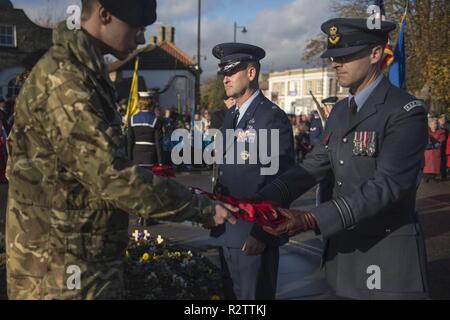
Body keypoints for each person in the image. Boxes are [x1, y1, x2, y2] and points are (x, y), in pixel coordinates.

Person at [5, 0, 232, 300]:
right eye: (137, 27)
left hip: (78, 261)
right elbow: (110, 176)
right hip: (60, 272)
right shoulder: (66, 78)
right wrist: (199, 208)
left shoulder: (82, 69)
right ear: (104, 13)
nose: (140, 38)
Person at [257, 18, 429, 300]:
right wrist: (260, 198)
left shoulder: (405, 112)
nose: (335, 63)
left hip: (385, 256)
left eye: (346, 55)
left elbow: (387, 186)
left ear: (376, 54)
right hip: (343, 254)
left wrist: (311, 218)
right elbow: (313, 166)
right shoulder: (339, 111)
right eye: (333, 56)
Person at [210, 42, 295, 300]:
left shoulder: (271, 118)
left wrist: (263, 232)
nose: (225, 78)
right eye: (223, 72)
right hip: (227, 231)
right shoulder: (231, 115)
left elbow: (282, 182)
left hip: (252, 235)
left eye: (232, 71)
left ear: (250, 73)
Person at [127, 91, 163, 167]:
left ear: (139, 104)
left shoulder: (132, 119)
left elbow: (129, 140)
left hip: (136, 156)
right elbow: (158, 143)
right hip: (150, 156)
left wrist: (129, 158)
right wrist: (160, 161)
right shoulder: (156, 120)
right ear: (151, 104)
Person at [424, 117, 446, 182]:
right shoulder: (426, 132)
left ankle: (434, 176)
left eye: (436, 123)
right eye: (433, 124)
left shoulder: (441, 132)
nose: (435, 125)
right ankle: (426, 177)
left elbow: (441, 141)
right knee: (427, 165)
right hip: (427, 152)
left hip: (436, 152)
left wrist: (434, 144)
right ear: (429, 124)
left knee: (435, 165)